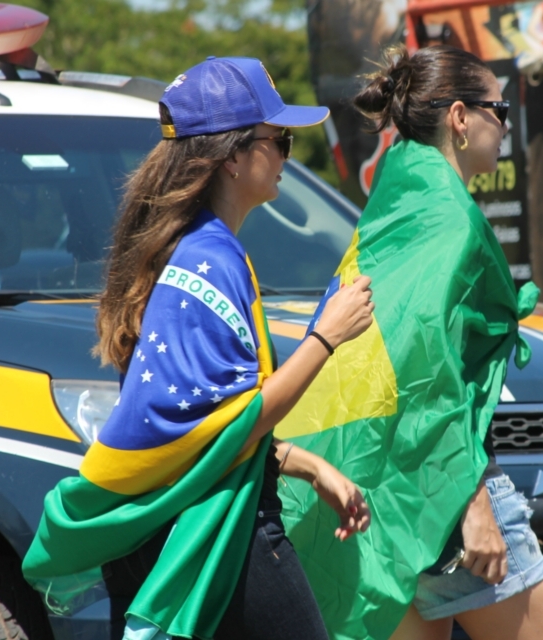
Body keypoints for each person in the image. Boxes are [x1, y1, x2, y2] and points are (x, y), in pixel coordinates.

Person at [22, 56, 375, 640]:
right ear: (232, 156)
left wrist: (309, 467)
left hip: (202, 519)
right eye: (279, 138)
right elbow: (233, 420)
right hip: (222, 529)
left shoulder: (202, 252)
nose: (287, 153)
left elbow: (208, 428)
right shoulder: (207, 261)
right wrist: (325, 337)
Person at [275, 45, 543, 640]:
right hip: (442, 489)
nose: (506, 126)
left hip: (377, 490)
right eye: (499, 110)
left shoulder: (397, 199)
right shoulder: (447, 219)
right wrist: (474, 504)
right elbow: (426, 371)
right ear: (461, 119)